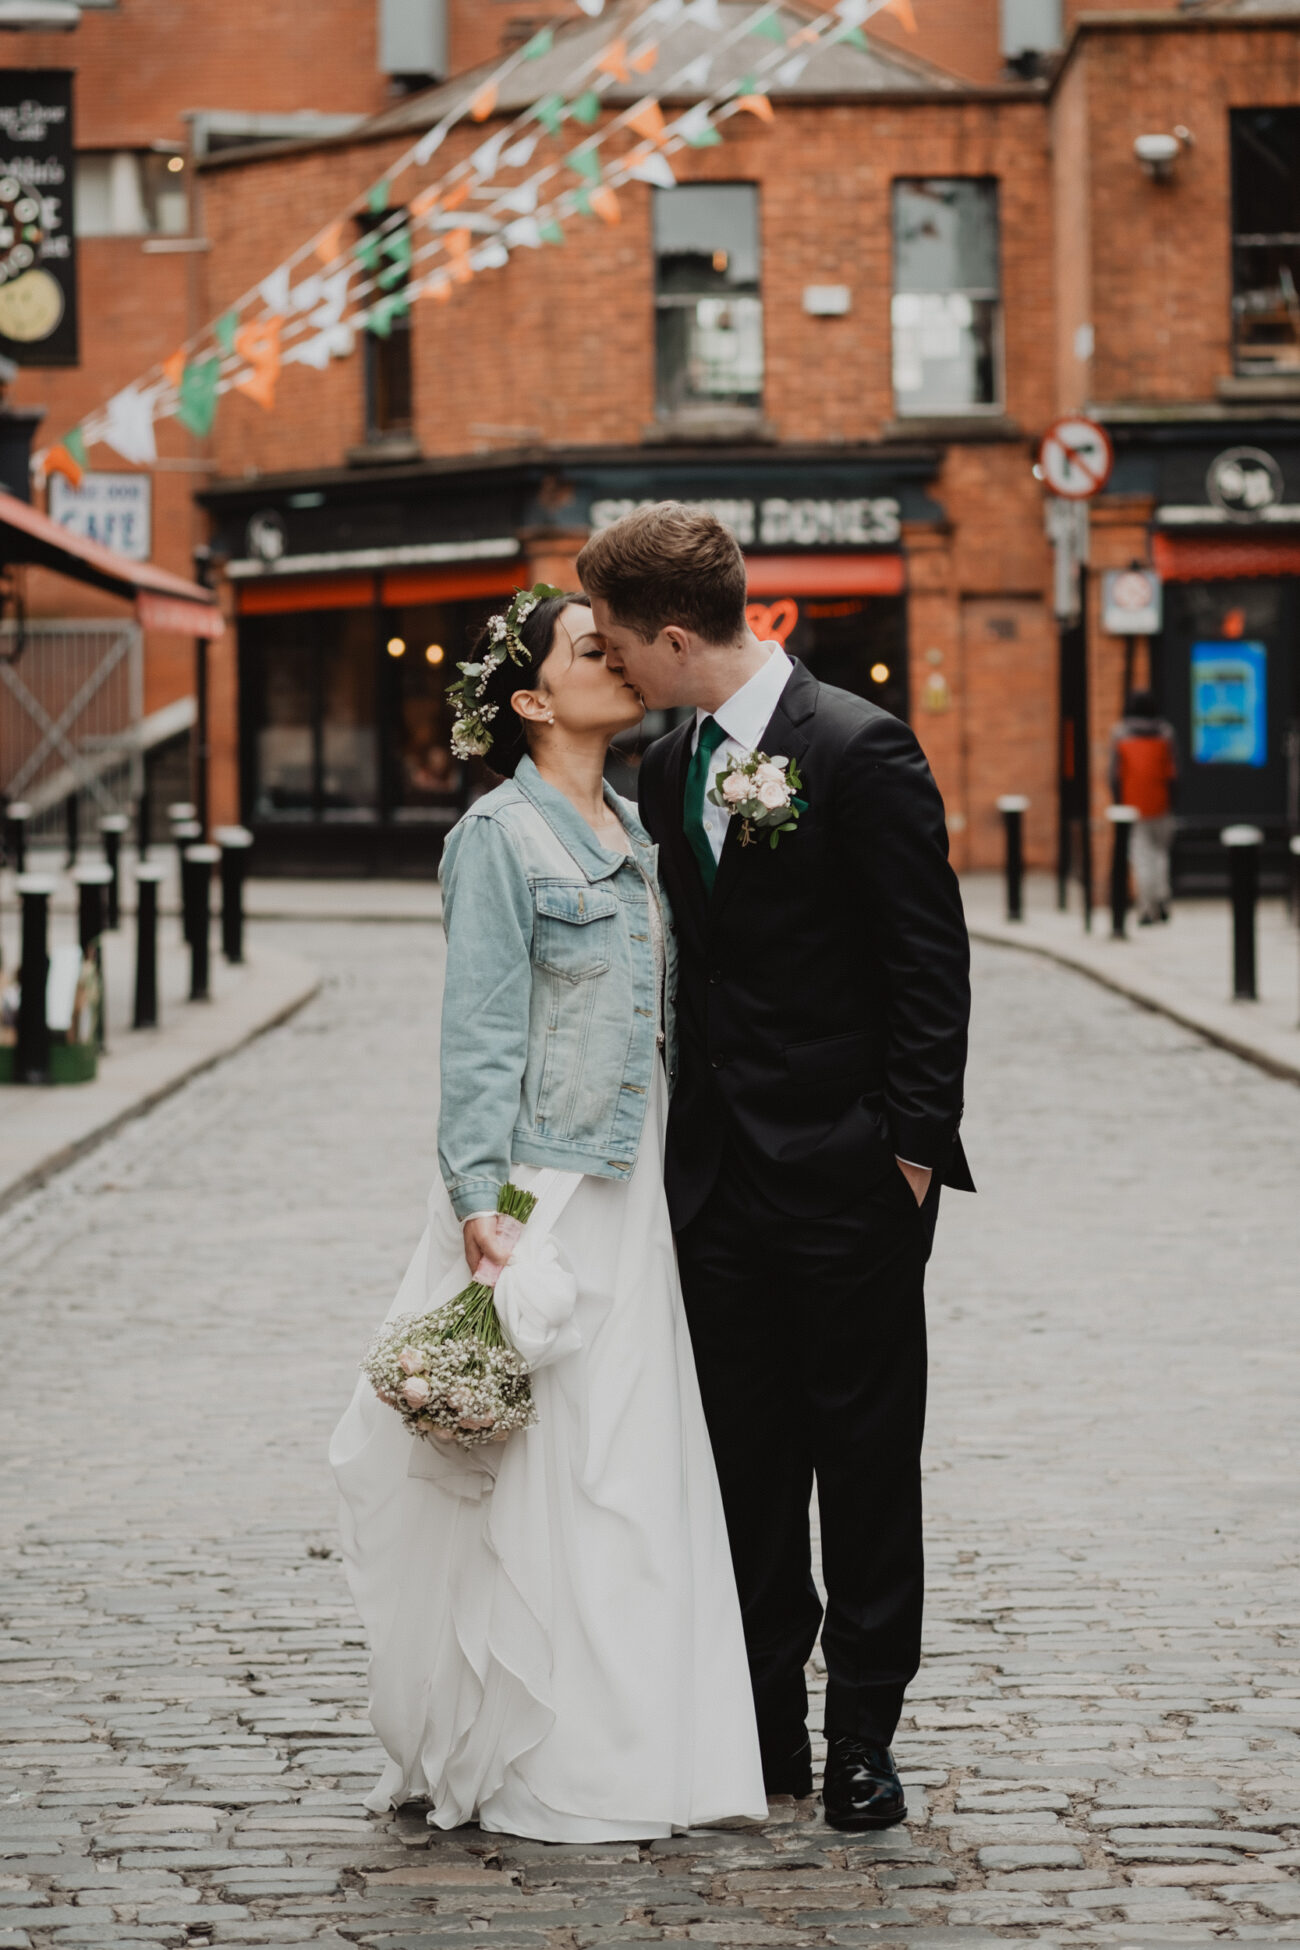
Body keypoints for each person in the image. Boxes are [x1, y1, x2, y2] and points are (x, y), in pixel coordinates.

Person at [330, 586, 766, 1842]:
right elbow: (475, 1038)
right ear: (530, 700)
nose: (622, 661)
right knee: (545, 1473)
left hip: (639, 1191)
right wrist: (483, 1209)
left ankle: (637, 1746)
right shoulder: (497, 837)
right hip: (543, 1187)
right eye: (593, 649)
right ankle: (530, 1754)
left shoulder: (637, 823)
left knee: (628, 1468)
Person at [579, 504, 973, 1833]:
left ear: (673, 633)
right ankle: (765, 1727)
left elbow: (930, 966)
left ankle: (865, 1731)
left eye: (625, 646)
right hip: (714, 1193)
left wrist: (908, 1155)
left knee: (866, 1460)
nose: (617, 668)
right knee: (745, 1471)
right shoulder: (661, 763)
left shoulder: (860, 749)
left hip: (853, 1180)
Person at [1110, 688, 1178, 924]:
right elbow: (1173, 773)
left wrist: (1118, 803)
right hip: (1161, 802)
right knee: (1161, 855)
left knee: (1141, 857)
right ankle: (1162, 899)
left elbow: (1114, 775)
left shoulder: (1121, 734)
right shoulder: (1165, 733)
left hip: (1133, 805)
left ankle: (1147, 908)